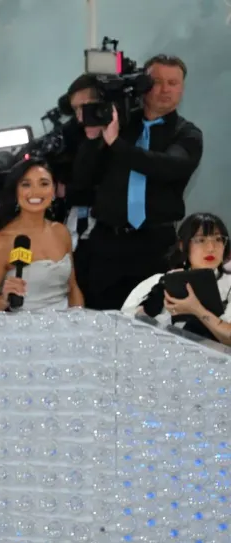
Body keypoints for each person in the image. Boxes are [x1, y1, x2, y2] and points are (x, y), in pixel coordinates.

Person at [72, 55, 203, 310]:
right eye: (157, 81)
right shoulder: (117, 122)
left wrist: (116, 145)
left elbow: (166, 167)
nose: (165, 89)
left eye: (173, 82)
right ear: (143, 85)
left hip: (156, 246)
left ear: (182, 88)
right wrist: (91, 140)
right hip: (107, 243)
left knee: (153, 323)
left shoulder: (187, 133)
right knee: (100, 320)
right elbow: (82, 178)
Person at [0, 157, 84, 313]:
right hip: (23, 331)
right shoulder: (1, 242)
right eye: (26, 184)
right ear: (16, 191)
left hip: (66, 328)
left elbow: (73, 287)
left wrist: (79, 321)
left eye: (44, 184)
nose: (35, 192)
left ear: (53, 191)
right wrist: (4, 299)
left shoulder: (61, 232)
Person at [131, 212, 231, 343]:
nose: (211, 248)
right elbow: (130, 323)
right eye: (201, 240)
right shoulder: (161, 280)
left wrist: (197, 310)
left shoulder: (228, 285)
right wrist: (156, 297)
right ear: (182, 245)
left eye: (218, 239)